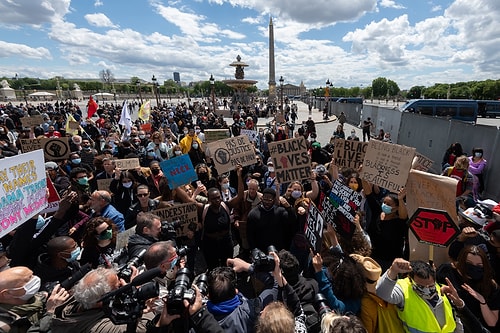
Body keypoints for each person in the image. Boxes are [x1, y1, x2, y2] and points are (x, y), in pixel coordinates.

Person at [50, 267, 151, 333]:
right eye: (118, 285)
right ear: (103, 299)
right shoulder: (99, 328)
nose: (122, 283)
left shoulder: (74, 300)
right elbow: (143, 328)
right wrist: (138, 296)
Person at [376, 258, 465, 333]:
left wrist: (459, 303)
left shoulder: (442, 288)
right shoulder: (403, 290)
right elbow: (381, 292)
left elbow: (455, 319)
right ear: (410, 280)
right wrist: (393, 271)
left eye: (430, 286)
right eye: (421, 286)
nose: (427, 290)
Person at [437, 245, 500, 332]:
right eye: (469, 264)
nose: (474, 268)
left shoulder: (490, 285)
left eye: (479, 265)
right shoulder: (447, 271)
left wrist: (482, 301)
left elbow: (492, 322)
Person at [199, 165, 243, 270]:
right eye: (214, 199)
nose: (217, 200)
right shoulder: (203, 209)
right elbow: (188, 201)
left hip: (226, 243)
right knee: (213, 268)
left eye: (218, 197)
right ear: (209, 199)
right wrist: (176, 185)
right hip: (210, 244)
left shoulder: (226, 205)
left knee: (227, 267)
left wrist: (239, 176)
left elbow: (240, 196)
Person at [365, 187, 409, 271]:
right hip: (373, 257)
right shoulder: (377, 212)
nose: (385, 205)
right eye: (384, 202)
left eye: (389, 204)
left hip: (389, 263)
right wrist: (363, 176)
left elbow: (403, 216)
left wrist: (400, 199)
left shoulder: (398, 222)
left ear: (396, 208)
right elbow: (368, 194)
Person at [247, 188, 290, 252]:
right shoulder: (253, 214)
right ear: (261, 198)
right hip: (261, 251)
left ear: (274, 200)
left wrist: (289, 207)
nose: (267, 202)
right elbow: (250, 234)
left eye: (269, 200)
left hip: (278, 250)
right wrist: (254, 249)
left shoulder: (280, 212)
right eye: (265, 199)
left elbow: (290, 224)